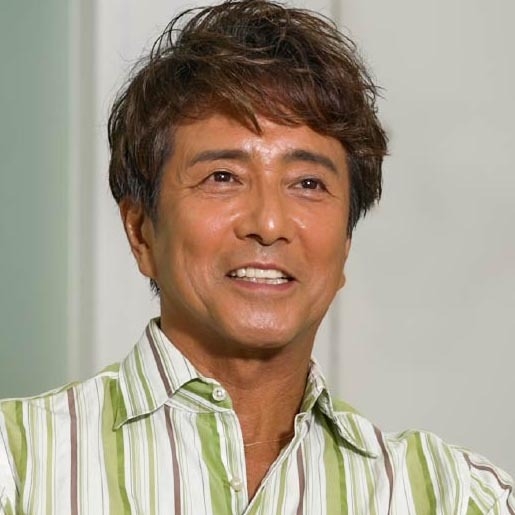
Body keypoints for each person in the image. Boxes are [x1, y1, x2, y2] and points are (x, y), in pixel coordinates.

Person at [0, 0, 513, 513]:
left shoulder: (454, 496)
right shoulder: (18, 467)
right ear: (141, 233)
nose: (269, 224)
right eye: (223, 177)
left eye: (308, 183)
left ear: (345, 245)